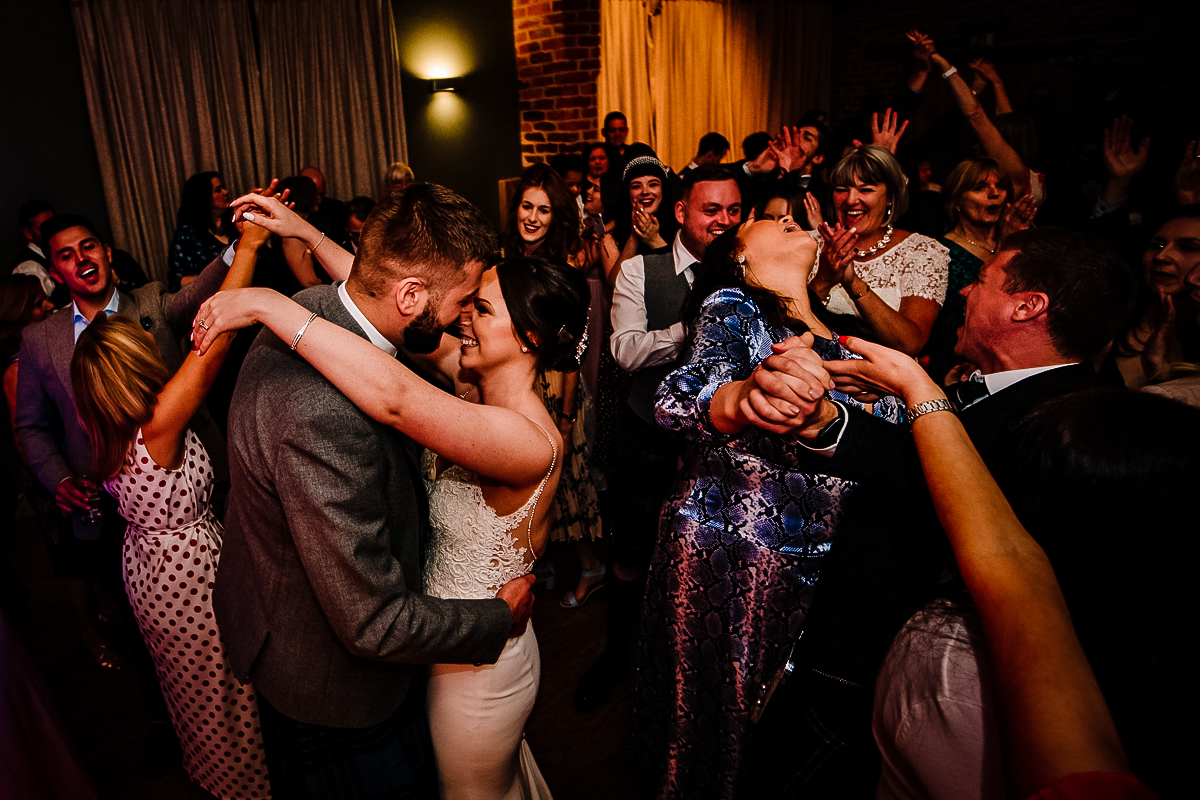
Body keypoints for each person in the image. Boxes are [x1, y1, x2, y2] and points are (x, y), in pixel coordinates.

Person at [741, 227, 1137, 798]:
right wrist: (838, 419)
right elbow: (924, 461)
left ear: (1029, 307)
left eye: (980, 280)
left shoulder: (1062, 427)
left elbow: (953, 497)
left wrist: (892, 397)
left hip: (895, 665)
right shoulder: (1011, 390)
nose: (963, 294)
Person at [206, 183, 541, 797]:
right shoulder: (321, 412)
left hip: (297, 614)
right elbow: (373, 622)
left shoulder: (314, 306)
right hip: (335, 682)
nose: (463, 318)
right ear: (409, 294)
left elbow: (396, 384)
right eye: (464, 300)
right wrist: (498, 618)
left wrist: (293, 263)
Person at [822, 345, 1163, 800]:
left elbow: (1010, 559)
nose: (966, 287)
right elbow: (1012, 563)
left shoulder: (956, 685)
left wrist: (914, 393)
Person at [636, 217, 901, 800]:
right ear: (741, 261)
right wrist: (740, 400)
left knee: (789, 740)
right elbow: (679, 398)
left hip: (828, 571)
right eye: (771, 221)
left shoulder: (847, 340)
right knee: (718, 728)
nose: (790, 220)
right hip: (737, 558)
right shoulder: (736, 307)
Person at [15, 209, 238, 762]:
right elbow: (30, 427)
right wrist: (59, 478)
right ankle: (169, 716)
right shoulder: (40, 341)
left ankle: (239, 712)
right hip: (107, 509)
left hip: (191, 496)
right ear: (55, 271)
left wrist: (242, 243)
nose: (81, 260)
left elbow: (210, 286)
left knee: (227, 613)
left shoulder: (152, 302)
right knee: (144, 625)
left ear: (107, 252)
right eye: (65, 255)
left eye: (88, 247)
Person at [69, 216, 271, 798]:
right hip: (188, 575)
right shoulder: (155, 427)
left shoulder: (104, 432)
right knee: (229, 694)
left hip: (149, 574)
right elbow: (216, 343)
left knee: (193, 695)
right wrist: (252, 246)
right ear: (130, 366)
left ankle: (215, 778)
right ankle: (251, 788)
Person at [575, 164, 742, 710]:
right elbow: (624, 350)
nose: (724, 221)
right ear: (681, 212)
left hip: (721, 444)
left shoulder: (746, 269)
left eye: (733, 210)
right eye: (710, 210)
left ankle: (686, 670)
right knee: (632, 552)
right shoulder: (640, 271)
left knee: (705, 561)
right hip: (648, 433)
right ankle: (617, 656)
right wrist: (690, 330)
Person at [504, 163, 604, 610]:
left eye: (543, 210)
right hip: (518, 382)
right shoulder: (506, 259)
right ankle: (538, 563)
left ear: (556, 217)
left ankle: (591, 567)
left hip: (557, 387)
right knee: (526, 481)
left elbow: (570, 353)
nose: (532, 217)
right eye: (527, 206)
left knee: (565, 484)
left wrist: (564, 420)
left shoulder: (562, 268)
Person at [808, 146, 950, 356]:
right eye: (841, 189)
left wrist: (853, 283)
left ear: (891, 196)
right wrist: (823, 279)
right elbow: (781, 327)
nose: (850, 200)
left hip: (884, 382)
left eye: (865, 190)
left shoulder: (922, 252)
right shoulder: (808, 244)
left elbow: (910, 344)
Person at [923, 158, 1035, 382]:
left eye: (1000, 186)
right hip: (955, 371)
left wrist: (1017, 243)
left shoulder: (1020, 243)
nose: (994, 194)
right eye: (980, 187)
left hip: (1013, 365)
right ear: (956, 200)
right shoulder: (937, 251)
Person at [1104, 206, 1200, 389]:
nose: (1161, 256)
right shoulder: (1108, 318)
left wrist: (1161, 375)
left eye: (1188, 248)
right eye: (1157, 245)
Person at [604, 155, 680, 285]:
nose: (645, 191)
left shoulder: (680, 229)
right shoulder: (611, 237)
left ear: (663, 190)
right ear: (627, 193)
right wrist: (635, 235)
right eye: (636, 186)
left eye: (653, 184)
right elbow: (616, 285)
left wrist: (654, 240)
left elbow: (682, 281)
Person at [168, 171, 236, 291]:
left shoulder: (234, 224)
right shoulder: (187, 235)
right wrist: (222, 277)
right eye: (218, 190)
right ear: (204, 197)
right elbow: (178, 281)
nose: (226, 192)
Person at [8, 200, 62, 303]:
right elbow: (42, 312)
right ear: (28, 233)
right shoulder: (30, 268)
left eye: (54, 223)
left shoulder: (54, 254)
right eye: (44, 228)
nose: (52, 230)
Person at [300, 166, 351, 250]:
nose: (319, 200)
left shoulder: (337, 208)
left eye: (321, 194)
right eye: (314, 195)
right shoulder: (294, 212)